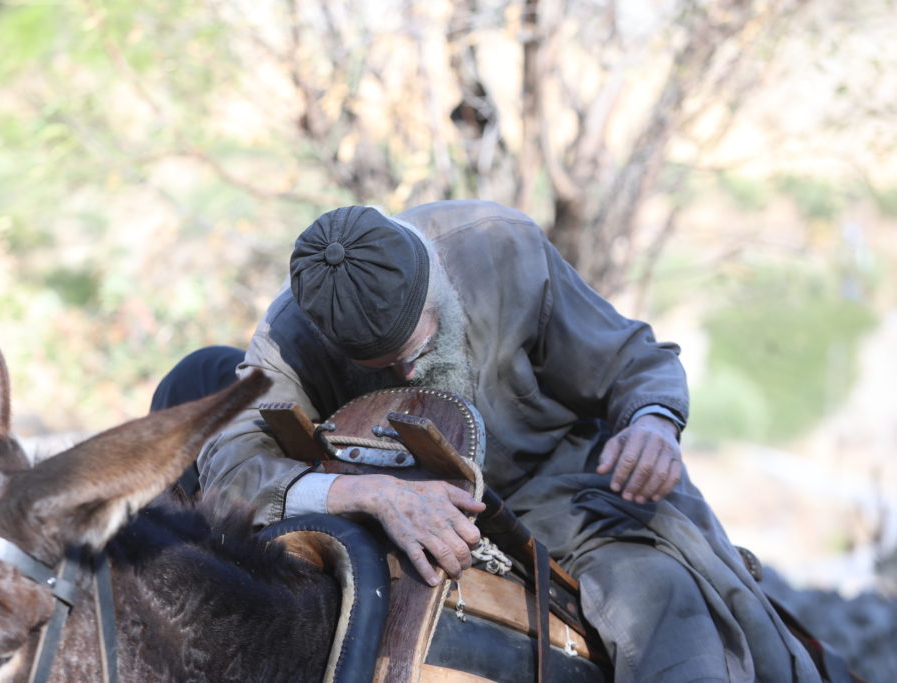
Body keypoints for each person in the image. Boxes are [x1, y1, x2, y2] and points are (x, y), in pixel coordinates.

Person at [160, 201, 821, 682]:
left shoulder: (497, 245)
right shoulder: (290, 332)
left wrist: (651, 421)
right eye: (382, 365)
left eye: (417, 348)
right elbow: (231, 464)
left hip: (560, 494)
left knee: (667, 605)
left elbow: (630, 360)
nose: (407, 374)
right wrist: (370, 494)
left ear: (437, 283)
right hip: (404, 508)